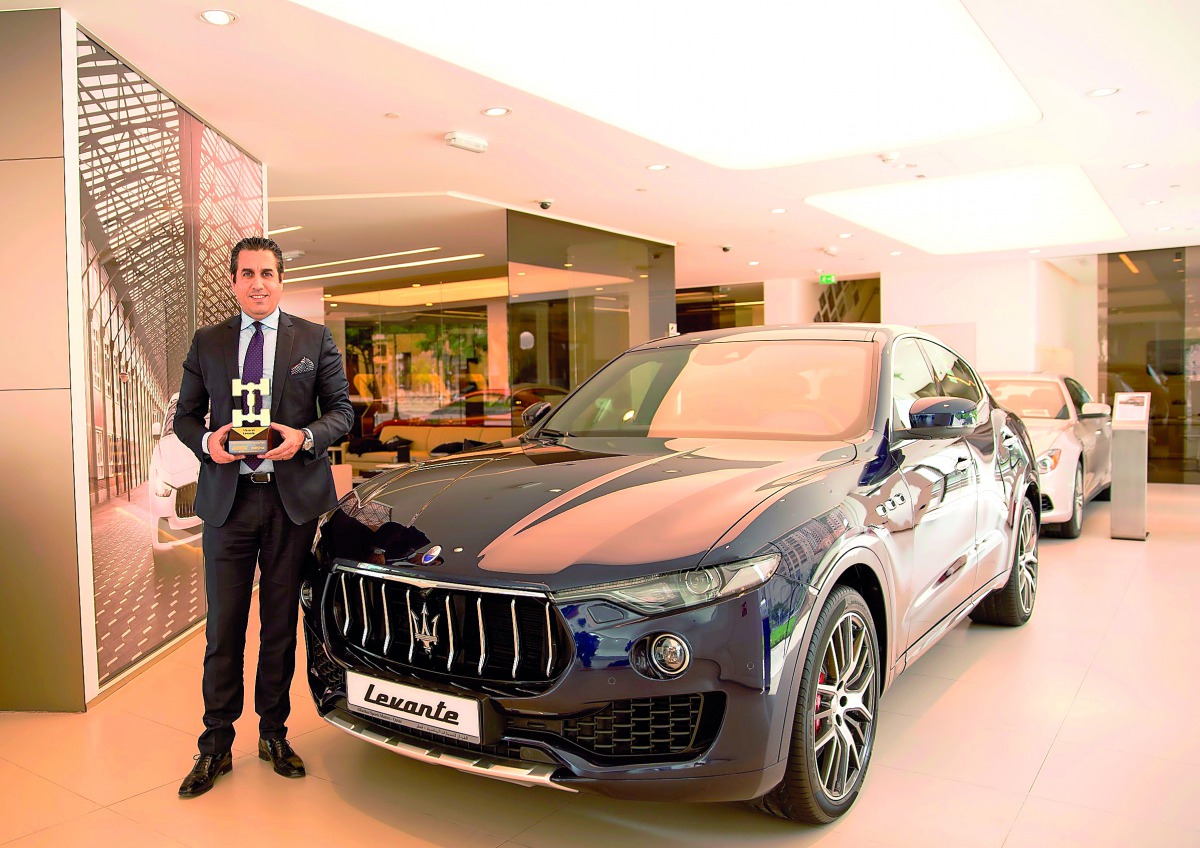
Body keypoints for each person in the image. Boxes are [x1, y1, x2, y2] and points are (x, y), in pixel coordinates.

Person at [173, 236, 353, 797]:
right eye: (246, 273)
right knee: (224, 627)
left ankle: (273, 733)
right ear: (233, 282)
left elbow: (343, 413)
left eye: (267, 274)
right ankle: (215, 745)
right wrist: (208, 442)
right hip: (228, 502)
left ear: (280, 280)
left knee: (280, 626)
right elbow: (184, 417)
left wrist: (304, 438)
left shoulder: (314, 338)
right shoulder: (208, 342)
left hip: (290, 504)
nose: (257, 283)